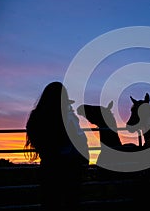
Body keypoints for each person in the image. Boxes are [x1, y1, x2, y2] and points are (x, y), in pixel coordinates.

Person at [24, 81, 89, 211]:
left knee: (50, 202)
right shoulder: (68, 118)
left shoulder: (37, 117)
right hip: (70, 169)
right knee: (72, 202)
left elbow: (35, 138)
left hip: (49, 168)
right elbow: (81, 140)